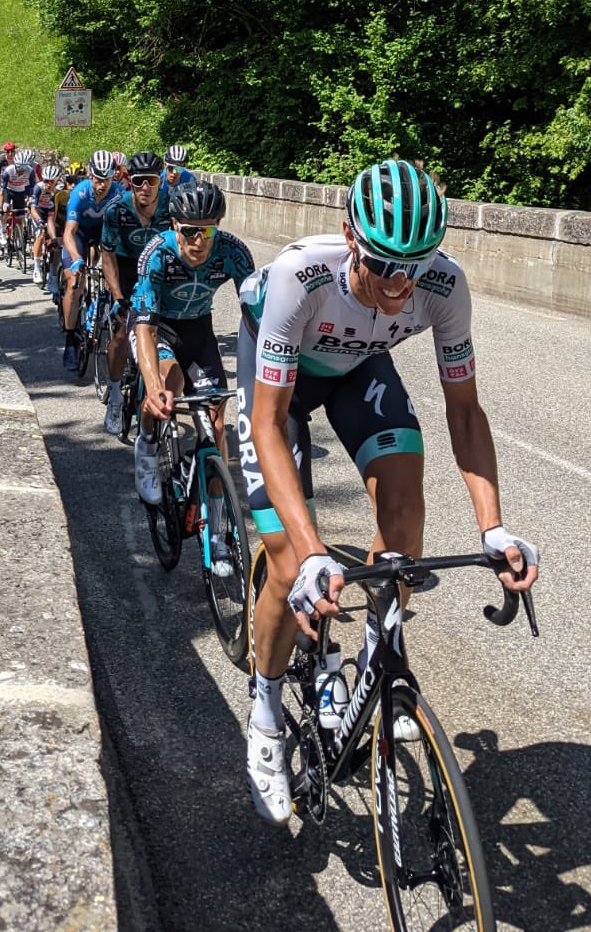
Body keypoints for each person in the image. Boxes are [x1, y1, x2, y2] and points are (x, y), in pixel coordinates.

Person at [237, 157, 540, 824]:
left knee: (404, 518)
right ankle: (264, 713)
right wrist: (313, 552)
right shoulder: (300, 277)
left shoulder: (444, 284)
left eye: (415, 266)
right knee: (287, 561)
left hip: (359, 370)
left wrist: (493, 527)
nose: (401, 283)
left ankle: (377, 664)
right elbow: (267, 424)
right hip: (279, 382)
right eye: (383, 265)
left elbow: (465, 411)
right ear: (351, 237)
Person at [131, 183, 254, 575]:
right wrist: (153, 390)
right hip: (158, 330)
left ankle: (216, 532)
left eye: (208, 231)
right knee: (169, 385)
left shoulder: (233, 252)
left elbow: (259, 319)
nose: (199, 241)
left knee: (215, 427)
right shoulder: (157, 254)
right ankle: (147, 443)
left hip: (199, 332)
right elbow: (145, 328)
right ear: (174, 225)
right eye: (190, 231)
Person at [98, 151, 171, 433]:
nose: (145, 187)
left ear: (160, 181)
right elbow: (107, 257)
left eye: (151, 180)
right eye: (139, 181)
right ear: (130, 181)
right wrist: (118, 297)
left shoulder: (172, 206)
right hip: (126, 268)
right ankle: (115, 394)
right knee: (120, 333)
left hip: (159, 271)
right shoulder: (116, 210)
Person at [61, 151, 123, 371]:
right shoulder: (80, 193)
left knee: (115, 277)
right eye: (98, 179)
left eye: (107, 179)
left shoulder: (119, 193)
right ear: (90, 175)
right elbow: (69, 232)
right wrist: (76, 258)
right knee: (74, 283)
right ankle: (70, 339)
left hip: (102, 234)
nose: (102, 185)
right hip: (79, 234)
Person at [29, 163, 62, 287]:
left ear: (56, 181)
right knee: (41, 235)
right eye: (46, 181)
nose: (48, 184)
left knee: (57, 241)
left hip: (52, 214)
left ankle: (54, 272)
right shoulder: (38, 188)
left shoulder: (59, 189)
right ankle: (36, 268)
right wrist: (39, 221)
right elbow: (32, 209)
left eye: (51, 181)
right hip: (39, 213)